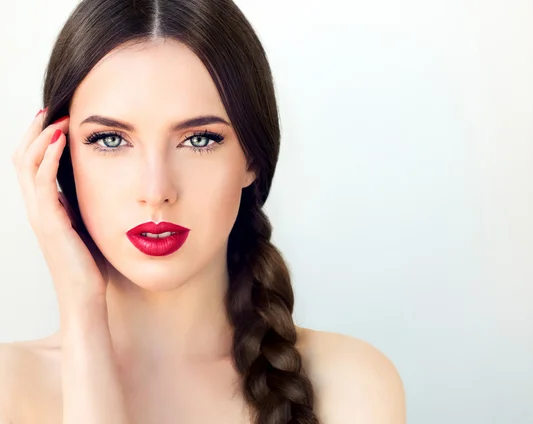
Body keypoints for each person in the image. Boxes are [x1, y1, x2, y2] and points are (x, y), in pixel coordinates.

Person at [0, 0, 405, 423]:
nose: (156, 192)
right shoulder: (8, 388)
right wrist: (82, 311)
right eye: (111, 140)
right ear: (58, 159)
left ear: (252, 157)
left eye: (198, 140)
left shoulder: (350, 384)